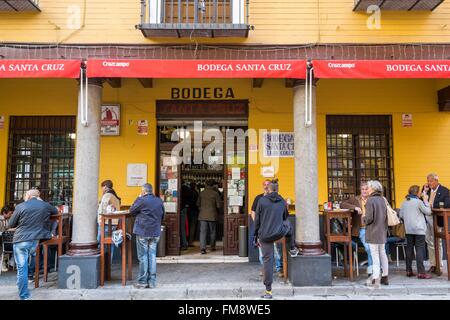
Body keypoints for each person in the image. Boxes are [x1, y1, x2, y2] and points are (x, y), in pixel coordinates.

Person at [7, 189, 58, 300]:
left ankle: (24, 296)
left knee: (22, 269)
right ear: (38, 196)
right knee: (33, 257)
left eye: (25, 194)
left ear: (28, 196)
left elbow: (10, 224)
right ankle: (31, 278)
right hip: (35, 241)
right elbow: (56, 211)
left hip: (20, 240)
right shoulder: (45, 205)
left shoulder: (21, 206)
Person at [254, 179, 299, 299]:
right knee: (289, 225)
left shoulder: (262, 201)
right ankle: (293, 248)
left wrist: (255, 235)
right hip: (279, 232)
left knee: (267, 261)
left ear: (268, 189)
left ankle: (268, 291)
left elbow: (257, 220)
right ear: (277, 189)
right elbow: (285, 216)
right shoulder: (283, 201)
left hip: (264, 235)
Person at [129, 183, 164, 289]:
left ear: (143, 191)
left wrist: (138, 197)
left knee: (143, 257)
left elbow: (131, 210)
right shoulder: (158, 200)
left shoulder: (141, 200)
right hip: (155, 232)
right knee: (152, 256)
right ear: (151, 191)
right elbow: (163, 215)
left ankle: (143, 282)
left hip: (143, 232)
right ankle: (152, 282)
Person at [250, 180, 283, 278]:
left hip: (274, 228)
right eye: (264, 184)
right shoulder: (258, 198)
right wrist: (258, 223)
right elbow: (253, 212)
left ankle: (279, 268)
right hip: (262, 228)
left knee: (276, 249)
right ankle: (264, 268)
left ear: (271, 187)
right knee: (262, 250)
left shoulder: (277, 198)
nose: (266, 186)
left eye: (267, 184)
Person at [399, 185, 433, 279]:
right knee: (419, 249)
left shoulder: (404, 202)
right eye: (419, 192)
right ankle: (421, 273)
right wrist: (425, 200)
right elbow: (429, 212)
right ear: (417, 193)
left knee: (409, 249)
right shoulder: (418, 202)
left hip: (408, 229)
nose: (421, 193)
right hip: (419, 230)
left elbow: (401, 215)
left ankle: (408, 270)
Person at [340, 182, 372, 277]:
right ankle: (371, 271)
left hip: (373, 229)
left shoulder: (372, 199)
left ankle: (377, 269)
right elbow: (342, 204)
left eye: (366, 189)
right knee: (369, 248)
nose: (365, 191)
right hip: (362, 229)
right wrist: (355, 207)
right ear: (360, 190)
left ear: (369, 190)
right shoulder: (355, 199)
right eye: (363, 189)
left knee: (376, 249)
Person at [363, 180, 389, 289]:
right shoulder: (383, 199)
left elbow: (369, 218)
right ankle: (385, 276)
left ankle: (375, 278)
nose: (367, 190)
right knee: (382, 253)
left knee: (375, 255)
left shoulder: (370, 200)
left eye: (368, 188)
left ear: (373, 189)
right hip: (382, 230)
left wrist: (363, 219)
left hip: (373, 231)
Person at [423, 173, 449, 276]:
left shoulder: (444, 190)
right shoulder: (427, 190)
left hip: (437, 218)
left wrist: (432, 205)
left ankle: (440, 265)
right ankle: (433, 264)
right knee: (429, 241)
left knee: (437, 242)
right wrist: (424, 191)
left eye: (431, 181)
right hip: (427, 218)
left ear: (436, 181)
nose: (429, 183)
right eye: (428, 181)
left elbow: (447, 203)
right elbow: (421, 201)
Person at [97, 180, 121, 260]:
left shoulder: (107, 195)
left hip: (106, 223)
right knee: (111, 244)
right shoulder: (115, 196)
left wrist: (100, 220)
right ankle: (108, 264)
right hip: (114, 223)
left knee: (100, 243)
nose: (102, 189)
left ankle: (101, 265)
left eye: (102, 187)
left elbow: (102, 209)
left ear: (105, 187)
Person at [197, 180, 221, 254]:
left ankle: (202, 249)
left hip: (202, 215)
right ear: (213, 185)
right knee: (212, 231)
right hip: (212, 215)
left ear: (205, 184)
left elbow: (198, 203)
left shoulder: (201, 193)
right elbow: (219, 205)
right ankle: (212, 247)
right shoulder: (215, 194)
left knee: (203, 232)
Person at [1, 205, 15, 272]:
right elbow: (3, 230)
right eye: (10, 213)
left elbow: (7, 229)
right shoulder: (1, 220)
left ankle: (10, 263)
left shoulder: (7, 220)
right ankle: (4, 263)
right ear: (4, 213)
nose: (11, 215)